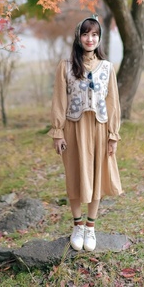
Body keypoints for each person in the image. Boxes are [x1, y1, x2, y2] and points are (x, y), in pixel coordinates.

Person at [48, 15, 122, 252]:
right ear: (78, 37)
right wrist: (58, 132)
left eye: (95, 34)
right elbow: (59, 100)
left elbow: (113, 103)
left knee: (97, 174)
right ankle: (77, 224)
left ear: (99, 38)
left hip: (99, 127)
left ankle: (91, 227)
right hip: (73, 127)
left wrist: (113, 135)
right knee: (75, 174)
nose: (90, 39)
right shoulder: (66, 66)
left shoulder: (107, 67)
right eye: (86, 34)